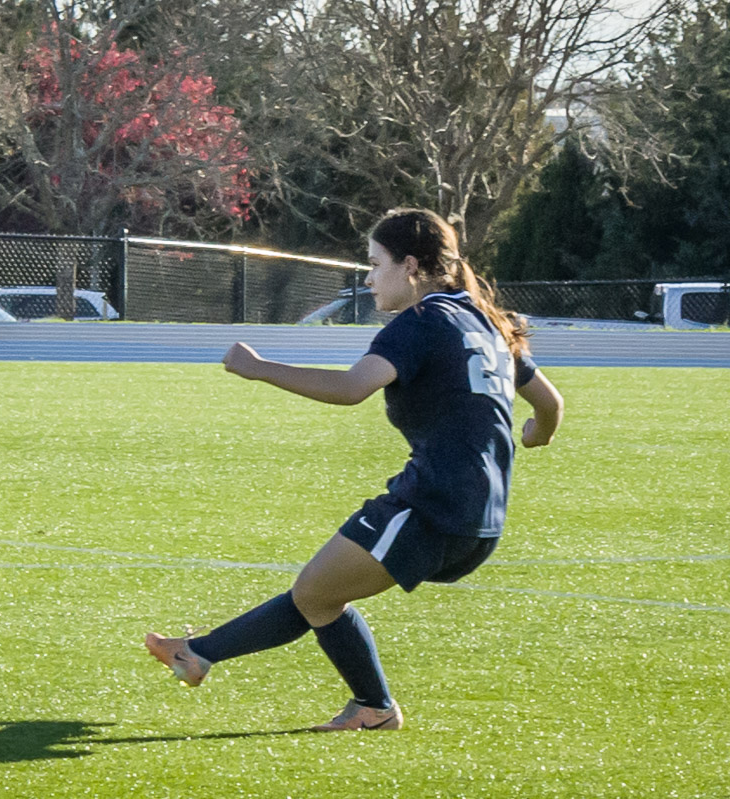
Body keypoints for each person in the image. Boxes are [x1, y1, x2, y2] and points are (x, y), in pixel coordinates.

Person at [145, 208, 564, 731]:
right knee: (318, 594)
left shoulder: (421, 322)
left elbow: (351, 389)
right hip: (478, 514)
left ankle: (217, 659)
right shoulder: (485, 321)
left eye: (374, 263)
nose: (367, 278)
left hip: (433, 506)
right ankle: (215, 657)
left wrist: (257, 369)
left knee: (314, 594)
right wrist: (537, 433)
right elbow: (550, 404)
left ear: (410, 265)